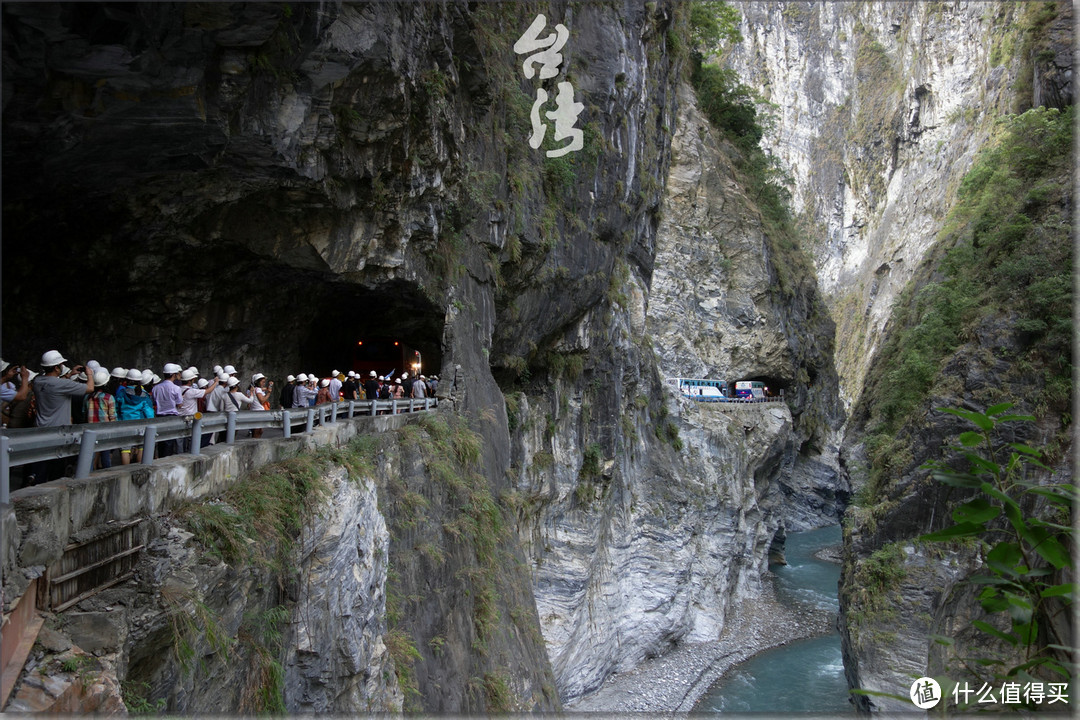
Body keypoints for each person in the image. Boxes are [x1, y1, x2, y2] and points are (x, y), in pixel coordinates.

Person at [29, 350, 95, 483]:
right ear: (56, 367)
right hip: (58, 432)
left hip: (40, 429)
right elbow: (90, 388)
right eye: (61, 365)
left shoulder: (37, 381)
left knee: (41, 464)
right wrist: (90, 375)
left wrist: (69, 374)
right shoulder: (61, 385)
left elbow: (54, 384)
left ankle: (35, 480)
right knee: (56, 469)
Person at [84, 368, 117, 468]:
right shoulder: (108, 397)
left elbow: (84, 412)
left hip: (90, 429)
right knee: (105, 455)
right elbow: (112, 416)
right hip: (105, 429)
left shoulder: (87, 397)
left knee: (89, 455)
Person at [151, 363, 185, 457]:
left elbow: (154, 402)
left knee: (161, 440)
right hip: (171, 416)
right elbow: (180, 404)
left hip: (159, 416)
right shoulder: (176, 388)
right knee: (170, 441)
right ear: (174, 375)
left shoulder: (156, 388)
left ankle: (161, 458)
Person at [1, 361, 33, 428]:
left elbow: (2, 407)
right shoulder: (30, 394)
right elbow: (22, 396)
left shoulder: (11, 389)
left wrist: (5, 378)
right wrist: (25, 377)